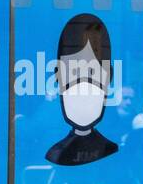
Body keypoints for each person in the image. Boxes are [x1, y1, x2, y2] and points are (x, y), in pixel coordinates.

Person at [46, 12, 118, 166]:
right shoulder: (56, 154)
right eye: (74, 73)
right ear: (58, 76)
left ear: (108, 77)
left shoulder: (109, 149)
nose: (83, 86)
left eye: (92, 73)